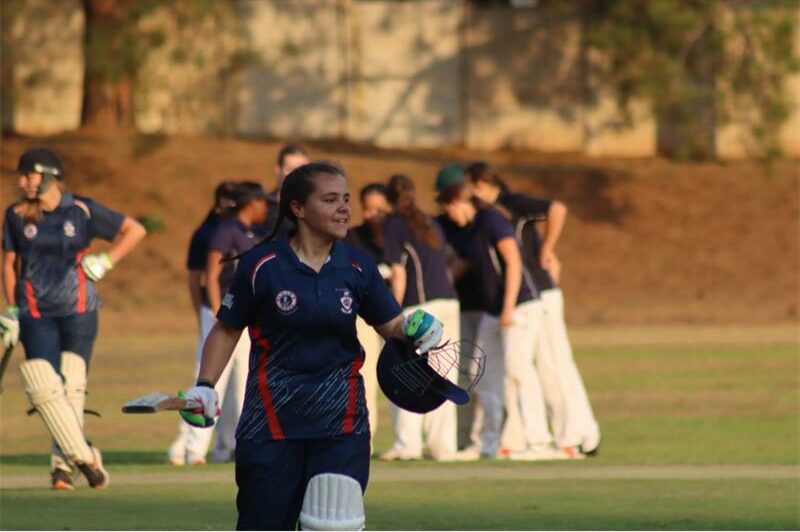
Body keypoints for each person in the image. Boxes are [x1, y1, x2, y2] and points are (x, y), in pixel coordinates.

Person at [181, 162, 446, 530]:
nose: (344, 208)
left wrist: (419, 330)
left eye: (346, 199)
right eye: (330, 199)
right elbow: (226, 330)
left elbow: (392, 326)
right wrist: (205, 385)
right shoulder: (262, 265)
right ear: (298, 208)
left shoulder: (357, 266)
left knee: (334, 524)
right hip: (270, 426)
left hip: (342, 426)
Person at [0, 148, 146, 489]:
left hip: (79, 310)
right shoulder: (16, 215)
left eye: (29, 175)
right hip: (35, 312)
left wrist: (107, 261)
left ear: (49, 176)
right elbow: (9, 265)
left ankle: (62, 468)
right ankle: (85, 456)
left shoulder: (81, 210)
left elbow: (134, 230)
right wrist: (12, 309)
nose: (22, 182)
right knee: (45, 388)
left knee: (71, 387)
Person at [467, 162, 600, 455]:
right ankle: (559, 435)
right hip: (530, 295)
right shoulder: (491, 215)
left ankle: (579, 435)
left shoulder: (509, 203)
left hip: (540, 293)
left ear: (483, 184)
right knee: (535, 368)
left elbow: (557, 209)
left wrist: (546, 249)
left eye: (472, 187)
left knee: (555, 366)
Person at [436, 182, 568, 461]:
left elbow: (513, 262)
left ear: (459, 201)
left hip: (520, 305)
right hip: (493, 310)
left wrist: (508, 307)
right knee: (480, 371)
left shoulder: (491, 219)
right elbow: (459, 266)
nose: (449, 216)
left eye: (449, 208)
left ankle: (539, 442)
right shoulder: (472, 230)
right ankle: (488, 443)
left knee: (519, 372)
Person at [379, 174, 460, 462]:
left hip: (421, 309)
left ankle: (407, 444)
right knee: (443, 374)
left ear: (389, 199)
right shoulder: (430, 222)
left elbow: (398, 272)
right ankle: (443, 447)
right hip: (448, 302)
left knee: (406, 374)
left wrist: (393, 312)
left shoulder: (395, 224)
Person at [167, 181, 237, 466]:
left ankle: (223, 446)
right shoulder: (209, 233)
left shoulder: (246, 232)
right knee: (207, 378)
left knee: (238, 385)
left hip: (242, 312)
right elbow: (197, 279)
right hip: (216, 314)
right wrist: (204, 313)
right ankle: (191, 447)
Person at [433, 164, 486, 450]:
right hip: (459, 308)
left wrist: (441, 282)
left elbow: (462, 263)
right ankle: (462, 438)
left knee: (482, 374)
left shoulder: (481, 224)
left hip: (485, 308)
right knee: (462, 374)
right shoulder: (438, 225)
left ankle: (484, 437)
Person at [344, 183, 393, 448]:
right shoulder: (352, 237)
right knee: (366, 377)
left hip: (394, 315)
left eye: (379, 209)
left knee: (402, 375)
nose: (372, 215)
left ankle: (408, 441)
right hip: (363, 317)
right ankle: (366, 439)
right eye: (367, 208)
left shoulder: (399, 232)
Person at [260, 144, 310, 237]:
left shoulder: (314, 209)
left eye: (302, 170)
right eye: (290, 169)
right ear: (278, 169)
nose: (296, 175)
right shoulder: (262, 207)